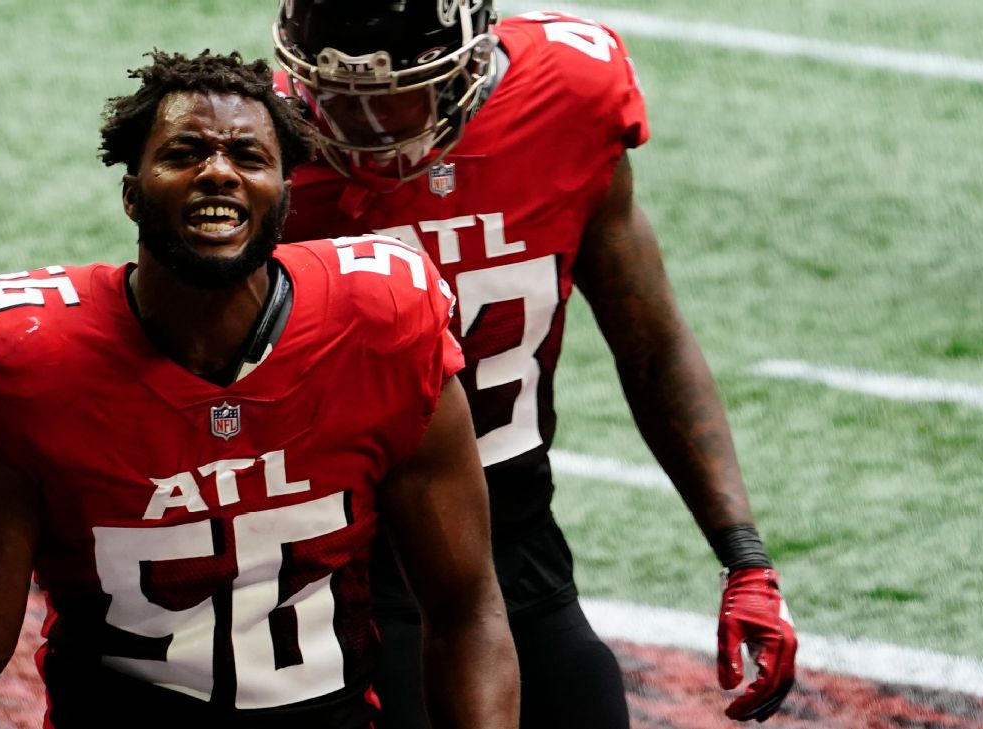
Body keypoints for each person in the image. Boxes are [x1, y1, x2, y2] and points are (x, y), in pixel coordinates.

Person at [0, 50, 519, 729]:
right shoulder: (29, 359)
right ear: (132, 191)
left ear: (285, 193)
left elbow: (467, 610)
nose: (218, 171)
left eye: (248, 156)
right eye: (186, 152)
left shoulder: (381, 324)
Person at [272, 1, 798, 726]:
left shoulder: (566, 97)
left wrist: (744, 553)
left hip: (516, 532)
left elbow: (650, 344)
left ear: (467, 58)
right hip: (342, 560)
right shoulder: (258, 157)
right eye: (337, 98)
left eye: (396, 95)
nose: (365, 132)